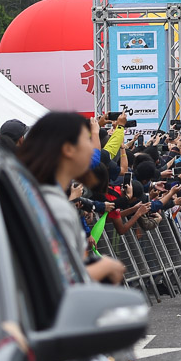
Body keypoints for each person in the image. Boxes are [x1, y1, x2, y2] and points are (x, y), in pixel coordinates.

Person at [18, 112, 126, 285]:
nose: (92, 148)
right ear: (68, 150)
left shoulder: (29, 185)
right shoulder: (55, 206)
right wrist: (103, 269)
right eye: (86, 140)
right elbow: (61, 276)